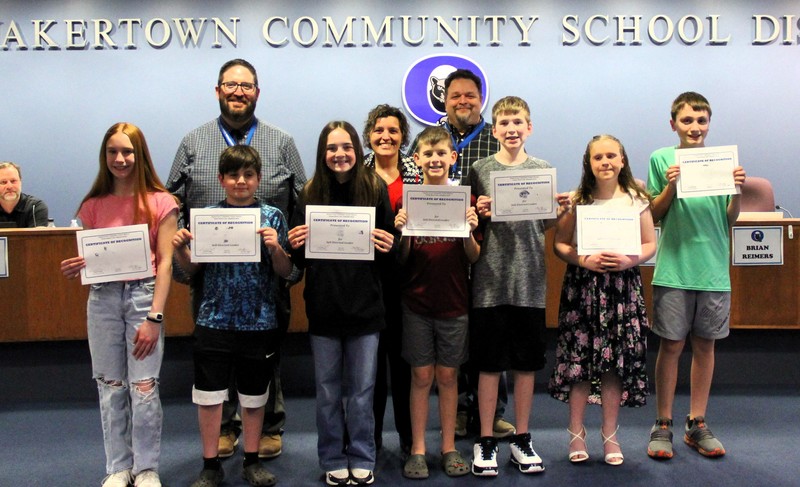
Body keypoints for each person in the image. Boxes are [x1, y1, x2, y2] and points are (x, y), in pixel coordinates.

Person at [166, 58, 306, 459]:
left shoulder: (281, 142)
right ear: (218, 91)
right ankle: (225, 429)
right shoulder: (194, 142)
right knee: (217, 354)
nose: (238, 92)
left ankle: (268, 428)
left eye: (246, 86)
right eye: (231, 85)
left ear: (257, 93)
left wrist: (290, 246)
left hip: (266, 272)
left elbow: (304, 198)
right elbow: (171, 197)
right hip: (210, 273)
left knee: (266, 353)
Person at [60, 123, 178, 487]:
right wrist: (74, 267)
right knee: (111, 386)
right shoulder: (91, 206)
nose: (120, 159)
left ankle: (146, 468)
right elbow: (89, 259)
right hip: (103, 300)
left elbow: (167, 263)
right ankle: (118, 467)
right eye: (113, 152)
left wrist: (155, 317)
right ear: (104, 156)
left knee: (143, 387)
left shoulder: (162, 201)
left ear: (139, 155)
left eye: (127, 152)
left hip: (144, 298)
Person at [172, 145, 292, 487]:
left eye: (249, 175)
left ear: (258, 180)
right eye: (234, 175)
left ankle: (251, 460)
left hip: (259, 320)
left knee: (255, 397)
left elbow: (285, 272)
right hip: (214, 320)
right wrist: (180, 247)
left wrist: (275, 248)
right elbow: (194, 269)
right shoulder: (206, 216)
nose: (241, 181)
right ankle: (210, 465)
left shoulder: (272, 217)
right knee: (209, 397)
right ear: (222, 179)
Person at [288, 121, 396, 486]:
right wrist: (296, 243)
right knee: (328, 392)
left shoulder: (374, 188)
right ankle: (333, 455)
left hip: (366, 309)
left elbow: (387, 254)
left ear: (357, 150)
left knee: (363, 392)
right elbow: (299, 262)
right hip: (323, 307)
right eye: (332, 148)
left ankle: (363, 454)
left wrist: (388, 244)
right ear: (323, 153)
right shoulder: (308, 193)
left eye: (347, 147)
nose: (340, 154)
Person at [409, 68, 513, 440]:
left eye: (470, 95)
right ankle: (456, 415)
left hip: (486, 253)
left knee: (485, 339)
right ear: (445, 100)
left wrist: (488, 208)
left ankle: (491, 411)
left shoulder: (496, 141)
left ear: (480, 99)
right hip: (437, 259)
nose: (463, 101)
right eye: (455, 96)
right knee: (447, 348)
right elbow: (412, 186)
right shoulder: (427, 140)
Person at [469, 96, 569, 476]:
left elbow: (542, 226)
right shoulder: (480, 169)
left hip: (529, 280)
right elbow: (471, 227)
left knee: (527, 365)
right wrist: (479, 215)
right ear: (494, 130)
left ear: (529, 127)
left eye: (518, 122)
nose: (511, 129)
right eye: (504, 123)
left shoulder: (543, 169)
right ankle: (485, 440)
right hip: (489, 282)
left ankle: (522, 438)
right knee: (489, 365)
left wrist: (558, 214)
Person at [646, 92, 746, 460]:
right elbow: (654, 214)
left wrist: (736, 189)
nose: (695, 127)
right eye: (687, 121)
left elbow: (730, 217)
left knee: (706, 345)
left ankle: (697, 422)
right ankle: (663, 423)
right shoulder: (661, 158)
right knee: (670, 346)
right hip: (674, 267)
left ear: (709, 123)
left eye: (701, 121)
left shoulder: (723, 162)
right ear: (673, 124)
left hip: (714, 270)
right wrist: (672, 185)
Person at [548, 135, 657, 466]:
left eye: (612, 156)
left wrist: (629, 260)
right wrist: (583, 260)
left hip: (622, 290)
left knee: (614, 365)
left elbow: (650, 243)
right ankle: (576, 433)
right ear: (589, 163)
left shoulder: (636, 198)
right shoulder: (577, 200)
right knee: (580, 365)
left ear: (622, 160)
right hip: (583, 289)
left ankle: (610, 436)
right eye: (598, 158)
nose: (606, 162)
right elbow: (560, 245)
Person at [394, 126, 478, 479]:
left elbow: (474, 257)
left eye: (441, 153)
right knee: (421, 375)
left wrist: (471, 229)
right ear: (417, 160)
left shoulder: (464, 200)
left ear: (452, 158)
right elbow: (400, 260)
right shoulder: (407, 200)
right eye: (427, 154)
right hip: (416, 302)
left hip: (455, 303)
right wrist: (403, 230)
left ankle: (448, 447)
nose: (435, 159)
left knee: (447, 375)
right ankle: (417, 449)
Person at [362, 104, 420, 454]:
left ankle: (409, 439)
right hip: (367, 282)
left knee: (403, 366)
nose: (385, 136)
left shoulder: (418, 173)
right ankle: (370, 440)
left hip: (409, 280)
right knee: (369, 369)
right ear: (369, 135)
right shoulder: (356, 172)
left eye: (393, 131)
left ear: (403, 137)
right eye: (379, 130)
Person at [0, 162, 49, 227]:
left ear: (20, 182)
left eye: (13, 181)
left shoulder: (34, 207)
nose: (9, 186)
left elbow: (38, 236)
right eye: (3, 182)